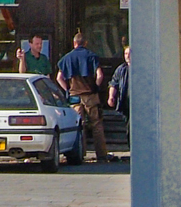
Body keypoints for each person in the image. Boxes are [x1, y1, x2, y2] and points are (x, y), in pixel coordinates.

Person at [57, 30, 112, 163]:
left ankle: (79, 154)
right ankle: (102, 155)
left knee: (78, 126)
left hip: (74, 96)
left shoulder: (66, 58)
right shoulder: (91, 56)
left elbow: (59, 77)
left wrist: (68, 89)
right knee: (96, 125)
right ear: (85, 43)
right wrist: (96, 87)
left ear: (74, 43)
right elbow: (99, 75)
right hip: (90, 95)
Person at [109, 43, 132, 126]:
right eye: (126, 53)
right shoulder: (121, 69)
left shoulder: (140, 69)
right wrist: (111, 96)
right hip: (125, 101)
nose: (127, 56)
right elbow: (114, 83)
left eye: (129, 53)